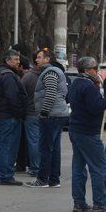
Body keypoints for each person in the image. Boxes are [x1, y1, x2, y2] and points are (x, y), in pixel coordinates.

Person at [67, 56, 106, 212]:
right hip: (87, 131)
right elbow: (95, 107)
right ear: (87, 70)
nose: (97, 71)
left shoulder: (77, 83)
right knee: (99, 167)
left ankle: (79, 202)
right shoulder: (88, 86)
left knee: (79, 167)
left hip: (76, 129)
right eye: (95, 68)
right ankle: (100, 202)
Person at [24, 50, 69, 188]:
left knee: (45, 148)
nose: (36, 60)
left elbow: (50, 93)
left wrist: (44, 112)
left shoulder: (50, 73)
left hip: (51, 115)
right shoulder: (52, 71)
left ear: (47, 59)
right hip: (57, 114)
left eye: (39, 57)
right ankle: (54, 179)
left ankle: (42, 179)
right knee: (54, 149)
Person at [0, 50, 28, 186]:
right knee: (8, 146)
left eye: (18, 59)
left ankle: (1, 173)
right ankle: (6, 175)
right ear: (7, 60)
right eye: (15, 59)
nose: (18, 62)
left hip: (4, 115)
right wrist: (18, 113)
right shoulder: (8, 76)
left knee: (3, 145)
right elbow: (12, 97)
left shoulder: (1, 73)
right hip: (9, 116)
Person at [20, 49, 50, 177]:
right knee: (45, 141)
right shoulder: (50, 75)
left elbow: (21, 94)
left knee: (33, 141)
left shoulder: (28, 77)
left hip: (31, 113)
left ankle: (35, 167)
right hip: (46, 112)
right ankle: (44, 166)